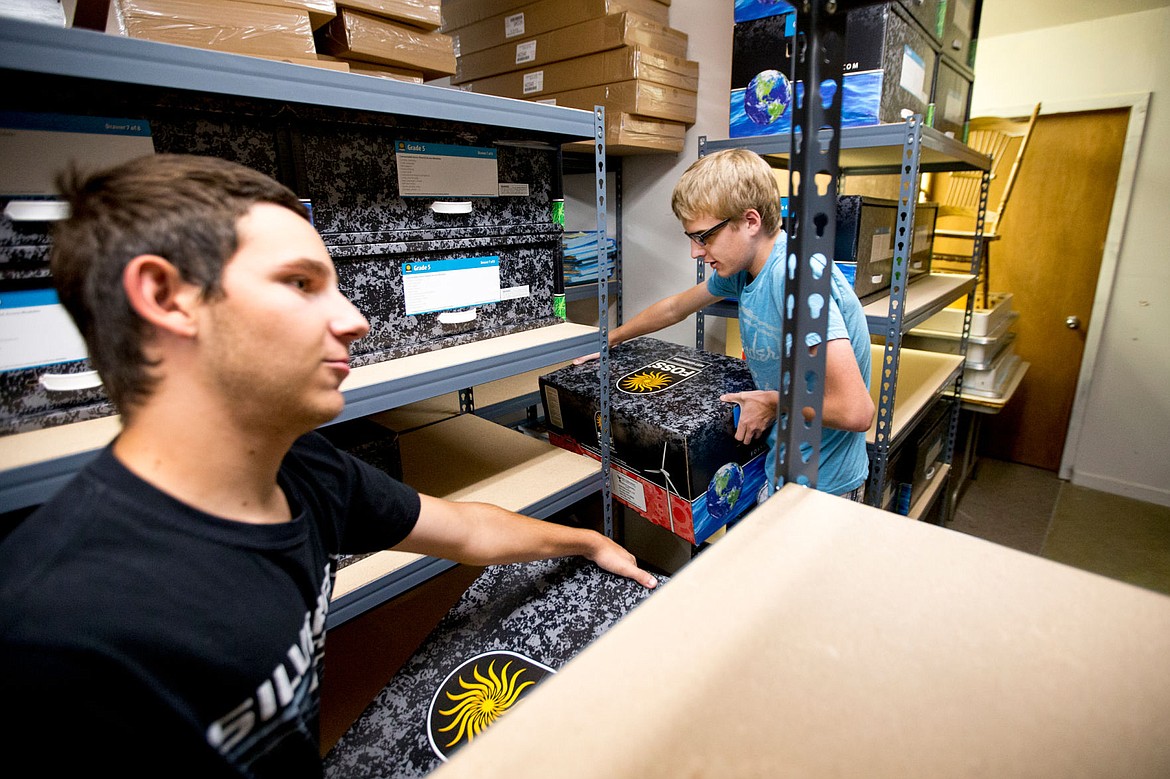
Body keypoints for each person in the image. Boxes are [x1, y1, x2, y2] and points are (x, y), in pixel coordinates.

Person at [0, 154, 656, 777]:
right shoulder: (53, 629)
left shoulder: (301, 469)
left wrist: (587, 539)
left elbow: (464, 529)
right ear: (166, 295)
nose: (356, 319)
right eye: (299, 283)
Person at [578, 148, 874, 499]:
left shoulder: (796, 280)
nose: (696, 251)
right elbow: (675, 307)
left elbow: (857, 411)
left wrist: (774, 402)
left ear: (750, 222)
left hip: (824, 487)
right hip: (783, 464)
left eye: (705, 236)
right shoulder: (746, 270)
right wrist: (611, 338)